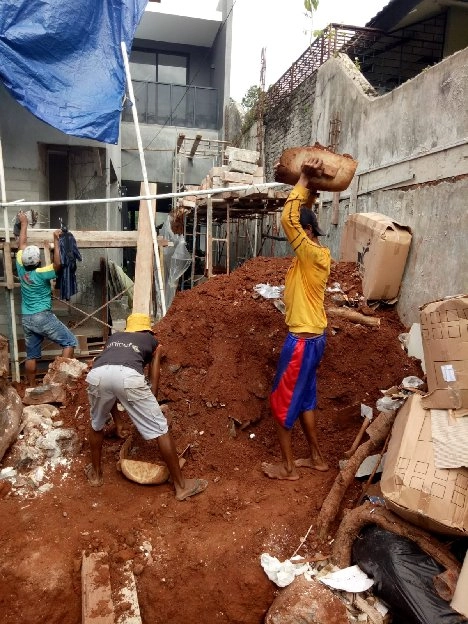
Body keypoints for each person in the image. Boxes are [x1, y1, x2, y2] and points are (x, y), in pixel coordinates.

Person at [84, 312, 208, 502]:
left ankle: (96, 475)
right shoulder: (151, 340)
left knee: (96, 424)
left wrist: (118, 423)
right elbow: (154, 384)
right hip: (128, 377)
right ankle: (181, 487)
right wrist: (156, 358)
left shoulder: (114, 338)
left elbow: (111, 387)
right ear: (147, 329)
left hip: (97, 373)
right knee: (160, 429)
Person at [262, 157, 331, 481]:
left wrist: (302, 180)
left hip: (302, 342)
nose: (293, 242)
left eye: (299, 235)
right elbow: (299, 220)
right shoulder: (311, 259)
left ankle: (288, 467)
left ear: (307, 232)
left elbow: (289, 220)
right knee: (305, 400)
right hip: (313, 338)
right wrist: (312, 191)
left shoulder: (311, 255)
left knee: (280, 403)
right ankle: (316, 458)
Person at [16, 211, 77, 387]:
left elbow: (21, 244)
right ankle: (59, 382)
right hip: (42, 316)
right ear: (37, 261)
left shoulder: (21, 268)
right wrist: (56, 241)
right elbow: (58, 265)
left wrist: (24, 223)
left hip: (27, 318)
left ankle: (32, 387)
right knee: (70, 342)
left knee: (32, 355)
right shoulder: (41, 273)